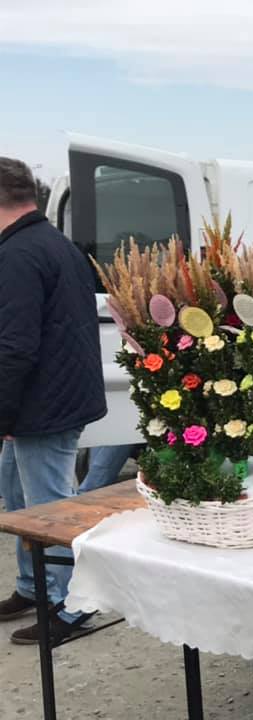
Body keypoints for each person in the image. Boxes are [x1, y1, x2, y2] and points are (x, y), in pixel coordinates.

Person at [0, 157, 106, 644]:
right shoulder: (53, 243)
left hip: (42, 403)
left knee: (50, 508)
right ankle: (33, 586)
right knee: (21, 497)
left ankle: (71, 603)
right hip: (48, 397)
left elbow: (15, 345)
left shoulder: (18, 254)